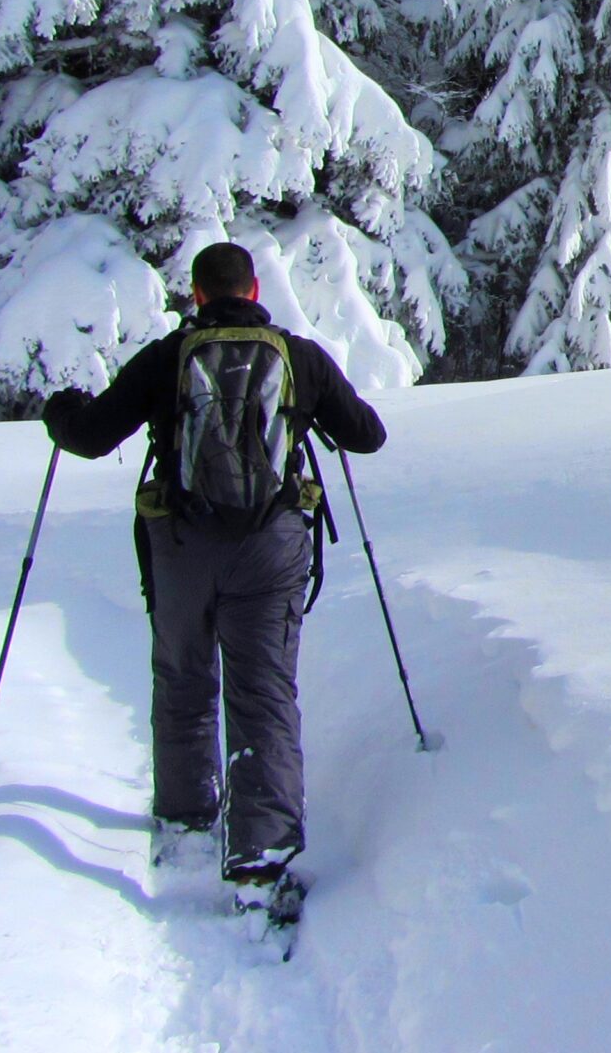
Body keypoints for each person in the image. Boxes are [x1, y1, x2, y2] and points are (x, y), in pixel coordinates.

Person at [43, 241, 385, 900]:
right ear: (254, 290)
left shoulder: (168, 357)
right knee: (262, 692)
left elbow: (88, 436)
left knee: (182, 676)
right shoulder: (298, 356)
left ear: (196, 293)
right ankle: (259, 859)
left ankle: (186, 820)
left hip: (181, 544)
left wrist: (61, 410)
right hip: (271, 545)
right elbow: (368, 434)